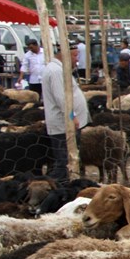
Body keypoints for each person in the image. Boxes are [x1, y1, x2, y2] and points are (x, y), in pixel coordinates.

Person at [41, 44, 89, 182]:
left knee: (68, 158)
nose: (77, 59)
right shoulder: (55, 71)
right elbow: (61, 98)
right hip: (63, 125)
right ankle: (57, 188)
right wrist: (71, 117)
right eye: (74, 55)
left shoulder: (60, 69)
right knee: (64, 161)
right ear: (64, 55)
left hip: (66, 123)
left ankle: (66, 184)